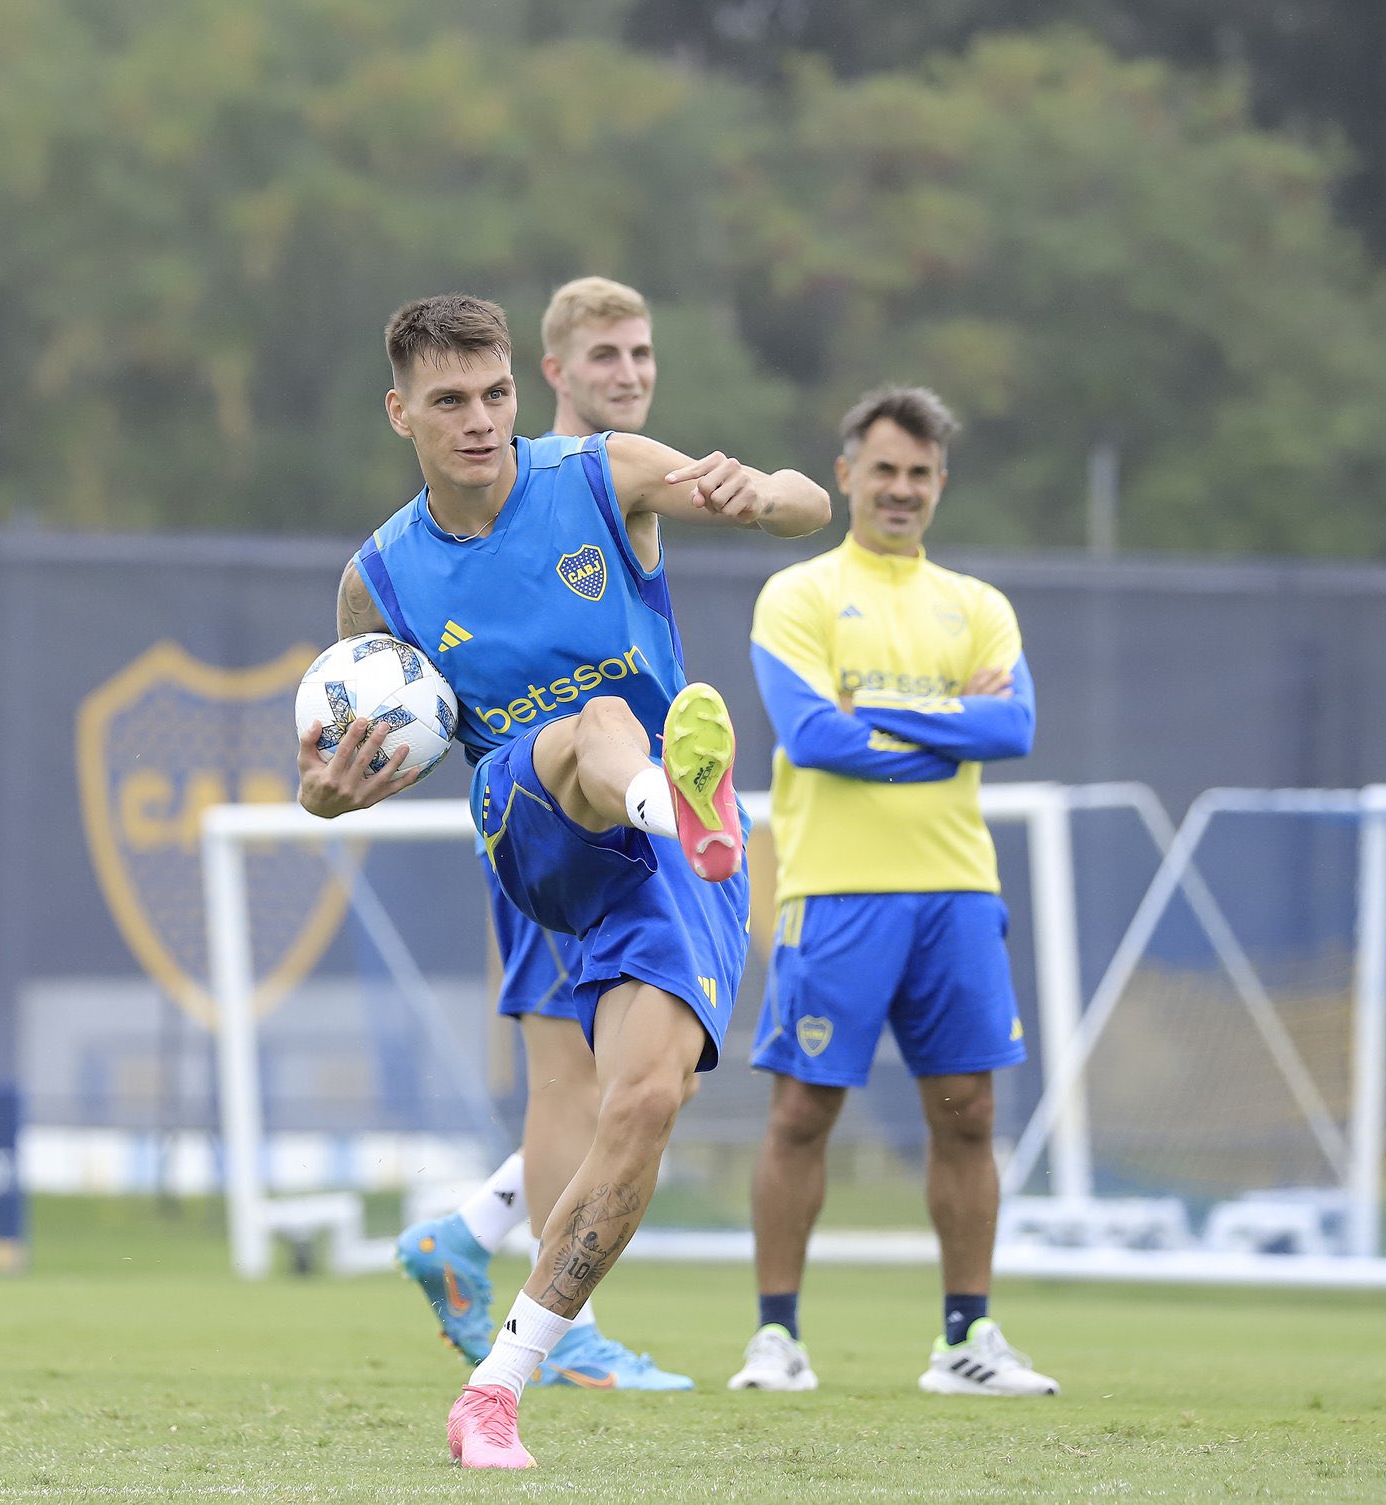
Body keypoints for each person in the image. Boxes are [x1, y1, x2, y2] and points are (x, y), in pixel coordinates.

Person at [298, 293, 828, 1468]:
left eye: (494, 394)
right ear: (400, 413)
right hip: (530, 820)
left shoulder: (600, 473)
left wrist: (761, 490)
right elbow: (339, 757)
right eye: (449, 401)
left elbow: (810, 505)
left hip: (667, 860)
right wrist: (325, 796)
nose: (480, 420)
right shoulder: (377, 580)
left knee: (644, 1103)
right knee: (596, 721)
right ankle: (681, 803)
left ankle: (497, 1387)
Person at [727, 385, 1059, 1397]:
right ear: (846, 475)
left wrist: (869, 705)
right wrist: (947, 724)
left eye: (920, 472)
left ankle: (966, 1338)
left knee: (967, 1113)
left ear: (940, 483)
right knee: (801, 1112)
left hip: (956, 891)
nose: (901, 488)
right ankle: (776, 1338)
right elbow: (811, 737)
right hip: (836, 892)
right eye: (884, 469)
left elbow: (1013, 729)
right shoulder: (798, 595)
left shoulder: (978, 605)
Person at [394, 277, 689, 1391]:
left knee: (654, 1080)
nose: (630, 374)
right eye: (606, 356)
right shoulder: (541, 482)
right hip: (551, 827)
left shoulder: (621, 478)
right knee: (570, 1073)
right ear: (556, 374)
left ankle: (468, 1231)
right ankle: (572, 1328)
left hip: (639, 812)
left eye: (642, 354)